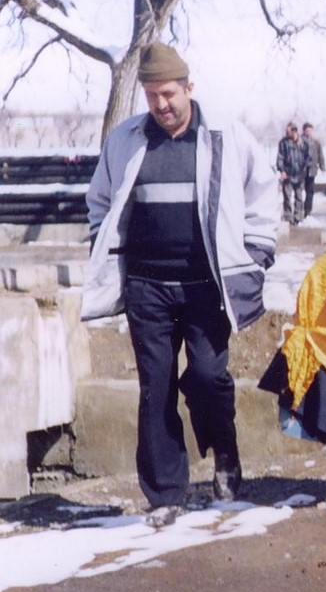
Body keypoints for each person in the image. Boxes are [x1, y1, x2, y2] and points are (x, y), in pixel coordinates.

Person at [82, 42, 280, 527]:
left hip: (205, 286)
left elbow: (262, 193)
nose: (160, 105)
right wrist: (104, 249)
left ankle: (225, 454)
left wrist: (254, 254)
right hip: (147, 285)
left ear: (189, 87)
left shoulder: (225, 137)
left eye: (168, 93)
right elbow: (100, 202)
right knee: (156, 386)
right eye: (150, 95)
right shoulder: (125, 139)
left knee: (209, 377)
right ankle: (167, 494)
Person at [276, 122, 308, 225]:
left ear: (294, 131)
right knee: (287, 197)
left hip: (300, 174)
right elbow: (280, 157)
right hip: (288, 174)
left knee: (299, 197)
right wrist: (282, 170)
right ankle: (288, 218)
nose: (286, 133)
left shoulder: (303, 142)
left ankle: (298, 217)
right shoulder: (283, 143)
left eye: (288, 131)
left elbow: (308, 157)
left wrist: (305, 169)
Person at [301, 122, 324, 219]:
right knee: (299, 192)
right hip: (302, 171)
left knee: (310, 191)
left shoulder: (316, 142)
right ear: (304, 131)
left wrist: (322, 166)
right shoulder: (300, 141)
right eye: (307, 131)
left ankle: (308, 210)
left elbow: (320, 155)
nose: (309, 132)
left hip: (312, 170)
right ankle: (298, 211)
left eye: (310, 130)